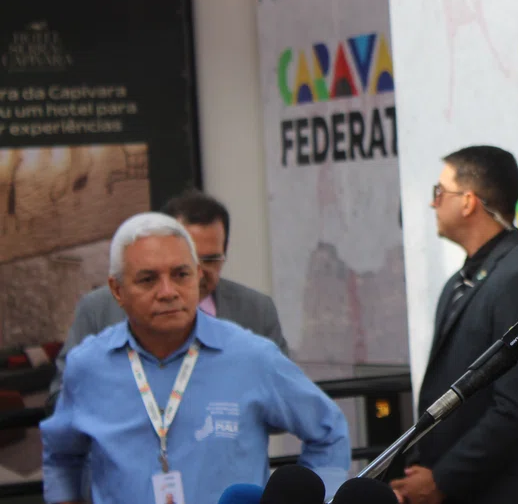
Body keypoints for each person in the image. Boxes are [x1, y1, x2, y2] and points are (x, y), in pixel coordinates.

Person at [40, 212, 350, 504]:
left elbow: (329, 433)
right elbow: (62, 457)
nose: (168, 291)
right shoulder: (88, 366)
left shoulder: (251, 357)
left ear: (198, 277)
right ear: (117, 290)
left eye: (181, 275)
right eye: (148, 279)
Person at [389, 146, 518, 504]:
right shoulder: (459, 281)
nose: (432, 204)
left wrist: (443, 479)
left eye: (440, 193)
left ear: (468, 202)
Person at [49, 190, 289, 408]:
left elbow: (288, 404)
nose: (200, 272)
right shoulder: (98, 309)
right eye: (189, 260)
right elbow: (60, 401)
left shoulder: (256, 310)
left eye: (212, 260)